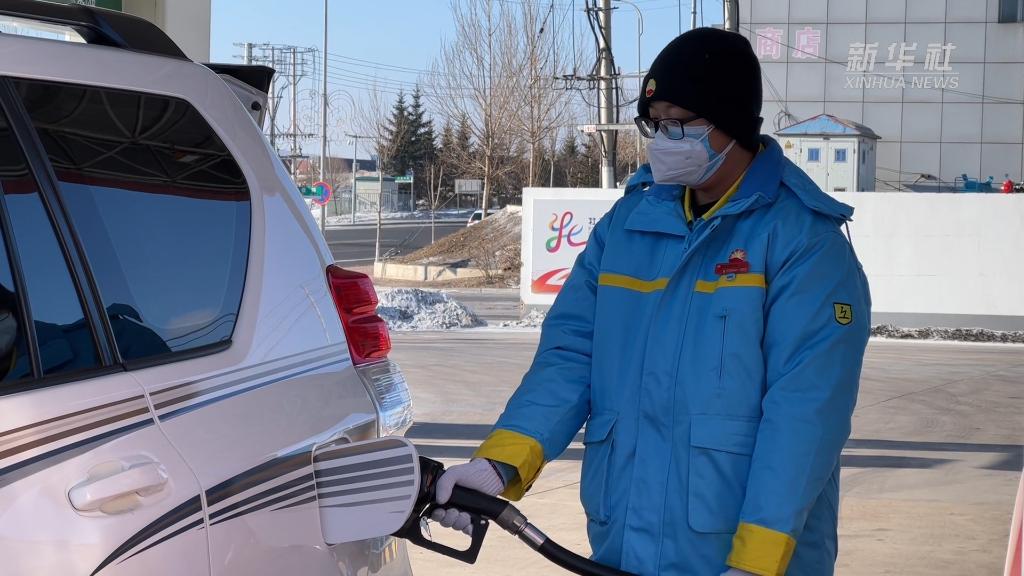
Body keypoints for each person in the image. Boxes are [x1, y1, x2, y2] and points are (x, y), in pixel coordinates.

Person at [431, 28, 871, 576]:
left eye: (678, 124)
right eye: (654, 123)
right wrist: (498, 465)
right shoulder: (628, 225)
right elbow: (569, 358)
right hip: (625, 548)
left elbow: (806, 415)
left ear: (731, 123)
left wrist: (757, 562)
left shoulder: (803, 242)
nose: (662, 140)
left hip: (741, 557)